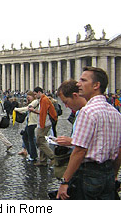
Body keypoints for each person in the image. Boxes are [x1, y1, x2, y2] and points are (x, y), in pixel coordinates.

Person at [57, 67, 121, 200]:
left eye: (83, 80)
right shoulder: (115, 113)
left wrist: (65, 181)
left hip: (88, 174)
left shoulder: (87, 112)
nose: (78, 84)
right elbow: (119, 149)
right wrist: (114, 174)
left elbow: (79, 151)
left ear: (96, 85)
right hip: (108, 172)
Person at [54, 79, 87, 179]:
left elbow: (81, 149)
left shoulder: (87, 114)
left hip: (86, 169)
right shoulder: (79, 113)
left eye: (66, 102)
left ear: (75, 95)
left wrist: (66, 180)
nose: (66, 106)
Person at [29, 87, 57, 166]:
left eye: (35, 94)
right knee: (42, 141)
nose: (34, 96)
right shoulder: (42, 100)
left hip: (44, 123)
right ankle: (43, 161)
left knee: (39, 141)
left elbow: (42, 113)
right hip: (43, 122)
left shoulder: (44, 100)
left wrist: (33, 110)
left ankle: (53, 157)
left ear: (39, 92)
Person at [14, 91, 38, 161]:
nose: (28, 98)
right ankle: (29, 153)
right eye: (27, 97)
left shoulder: (35, 102)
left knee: (31, 140)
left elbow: (27, 108)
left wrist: (16, 109)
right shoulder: (32, 102)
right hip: (29, 122)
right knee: (25, 137)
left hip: (32, 123)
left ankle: (33, 156)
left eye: (29, 97)